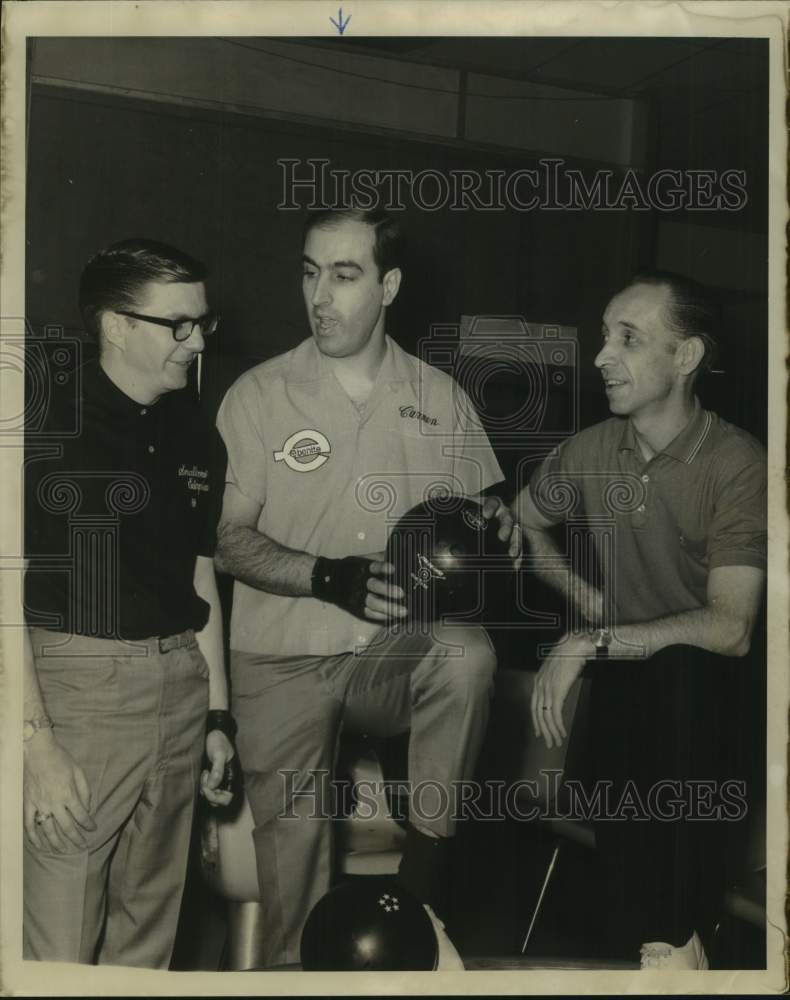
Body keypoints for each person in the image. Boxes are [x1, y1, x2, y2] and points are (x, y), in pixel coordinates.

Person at [215, 207, 518, 969]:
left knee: (466, 655)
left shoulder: (441, 397)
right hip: (280, 656)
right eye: (310, 273)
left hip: (386, 653)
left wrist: (501, 532)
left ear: (388, 285)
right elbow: (224, 539)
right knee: (298, 894)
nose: (321, 295)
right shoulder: (258, 394)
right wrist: (326, 575)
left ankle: (425, 888)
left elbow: (484, 519)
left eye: (344, 275)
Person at [514, 270, 766, 969]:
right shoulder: (591, 450)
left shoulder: (740, 464)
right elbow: (523, 524)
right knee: (634, 694)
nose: (601, 356)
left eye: (629, 339)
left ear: (685, 358)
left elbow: (733, 627)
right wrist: (582, 595)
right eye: (604, 336)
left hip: (719, 716)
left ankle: (671, 940)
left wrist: (589, 638)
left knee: (679, 671)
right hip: (627, 714)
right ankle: (667, 944)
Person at [23, 239, 236, 968]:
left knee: (148, 940)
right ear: (115, 324)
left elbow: (200, 577)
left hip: (180, 686)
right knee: (59, 944)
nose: (198, 340)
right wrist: (34, 744)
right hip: (79, 693)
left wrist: (217, 718)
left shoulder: (196, 431)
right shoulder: (39, 420)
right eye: (178, 325)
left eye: (203, 323)